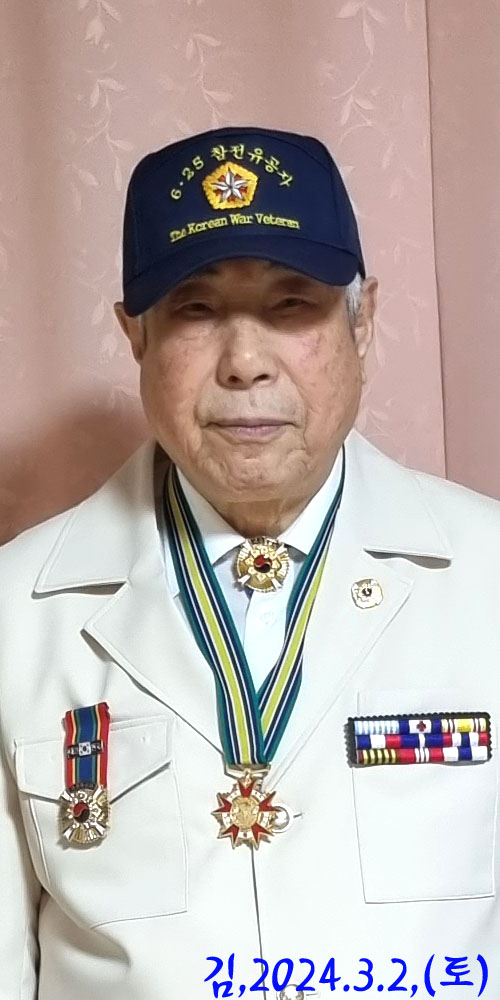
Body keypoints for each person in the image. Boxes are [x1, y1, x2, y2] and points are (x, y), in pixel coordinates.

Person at [0, 125, 499, 1000]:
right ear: (135, 336)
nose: (244, 363)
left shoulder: (486, 575)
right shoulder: (16, 611)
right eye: (194, 309)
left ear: (363, 322)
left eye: (291, 304)